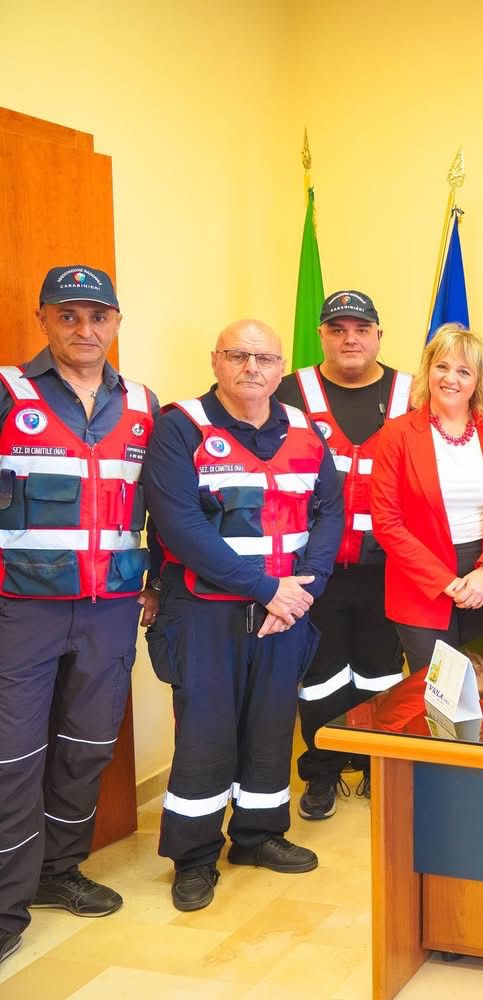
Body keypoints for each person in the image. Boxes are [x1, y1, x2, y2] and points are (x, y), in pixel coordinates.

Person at [142, 319, 342, 912]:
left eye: (265, 357)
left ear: (283, 368)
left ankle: (258, 836)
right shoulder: (181, 427)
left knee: (270, 726)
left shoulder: (306, 430)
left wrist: (304, 591)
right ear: (216, 361)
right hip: (205, 613)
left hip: (286, 611)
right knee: (205, 734)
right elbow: (181, 524)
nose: (252, 367)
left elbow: (329, 512)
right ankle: (194, 857)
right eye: (238, 355)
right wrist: (267, 589)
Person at [0, 267, 158, 966]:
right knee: (13, 758)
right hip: (22, 609)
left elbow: (164, 506)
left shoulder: (146, 405)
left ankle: (58, 871)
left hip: (111, 608)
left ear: (117, 323)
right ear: (44, 321)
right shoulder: (10, 392)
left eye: (98, 316)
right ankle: (5, 907)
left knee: (87, 747)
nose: (84, 330)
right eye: (69, 316)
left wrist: (160, 586)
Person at [275, 289, 412, 820]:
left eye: (361, 328)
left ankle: (378, 764)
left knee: (382, 671)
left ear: (379, 334)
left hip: (389, 567)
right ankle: (323, 770)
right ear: (321, 336)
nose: (350, 338)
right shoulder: (289, 392)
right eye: (337, 329)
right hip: (315, 568)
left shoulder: (412, 392)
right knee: (322, 673)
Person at [369, 324, 483, 672]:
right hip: (420, 585)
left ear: (477, 381)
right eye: (442, 366)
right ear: (428, 370)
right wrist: (448, 583)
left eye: (463, 371)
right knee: (440, 695)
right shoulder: (397, 434)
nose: (450, 378)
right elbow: (386, 522)